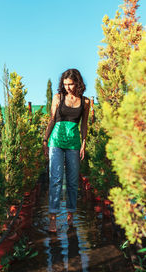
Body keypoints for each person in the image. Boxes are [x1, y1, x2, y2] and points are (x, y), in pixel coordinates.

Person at [43, 68, 90, 232]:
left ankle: (70, 215)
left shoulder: (85, 102)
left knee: (72, 181)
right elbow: (51, 120)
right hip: (56, 141)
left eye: (70, 84)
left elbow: (84, 124)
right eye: (65, 84)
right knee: (55, 179)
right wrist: (45, 140)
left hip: (74, 143)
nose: (68, 87)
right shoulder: (58, 97)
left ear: (77, 83)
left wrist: (84, 143)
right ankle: (53, 218)